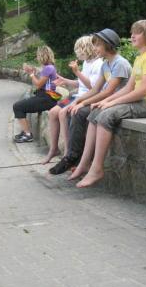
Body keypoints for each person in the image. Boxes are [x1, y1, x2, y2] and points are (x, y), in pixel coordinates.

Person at [73, 20, 146, 188]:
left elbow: (142, 91)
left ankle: (96, 169)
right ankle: (84, 163)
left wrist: (112, 103)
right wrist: (106, 101)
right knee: (95, 113)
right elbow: (129, 88)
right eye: (132, 32)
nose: (132, 35)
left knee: (106, 115)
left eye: (137, 32)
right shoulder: (140, 58)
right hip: (142, 101)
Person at [49, 29, 132, 176]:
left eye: (97, 45)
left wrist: (82, 104)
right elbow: (95, 89)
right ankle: (73, 156)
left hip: (116, 101)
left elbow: (108, 92)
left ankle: (73, 157)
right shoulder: (106, 64)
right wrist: (78, 101)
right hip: (106, 99)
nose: (94, 48)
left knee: (80, 112)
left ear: (108, 45)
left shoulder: (119, 63)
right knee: (75, 111)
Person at [42, 36, 103, 164]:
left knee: (62, 113)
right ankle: (54, 149)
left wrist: (77, 72)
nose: (76, 52)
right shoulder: (86, 62)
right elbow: (80, 83)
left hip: (87, 97)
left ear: (86, 49)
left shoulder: (98, 64)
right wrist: (65, 81)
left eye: (78, 49)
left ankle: (67, 153)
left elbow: (92, 87)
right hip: (77, 96)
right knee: (52, 112)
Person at [12, 45, 59, 144]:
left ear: (42, 56)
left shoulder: (48, 68)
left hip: (46, 98)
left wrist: (31, 74)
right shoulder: (49, 67)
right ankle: (25, 131)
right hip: (46, 97)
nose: (37, 57)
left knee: (18, 106)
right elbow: (41, 81)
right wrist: (33, 71)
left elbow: (38, 85)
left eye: (38, 55)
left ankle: (27, 135)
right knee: (21, 105)